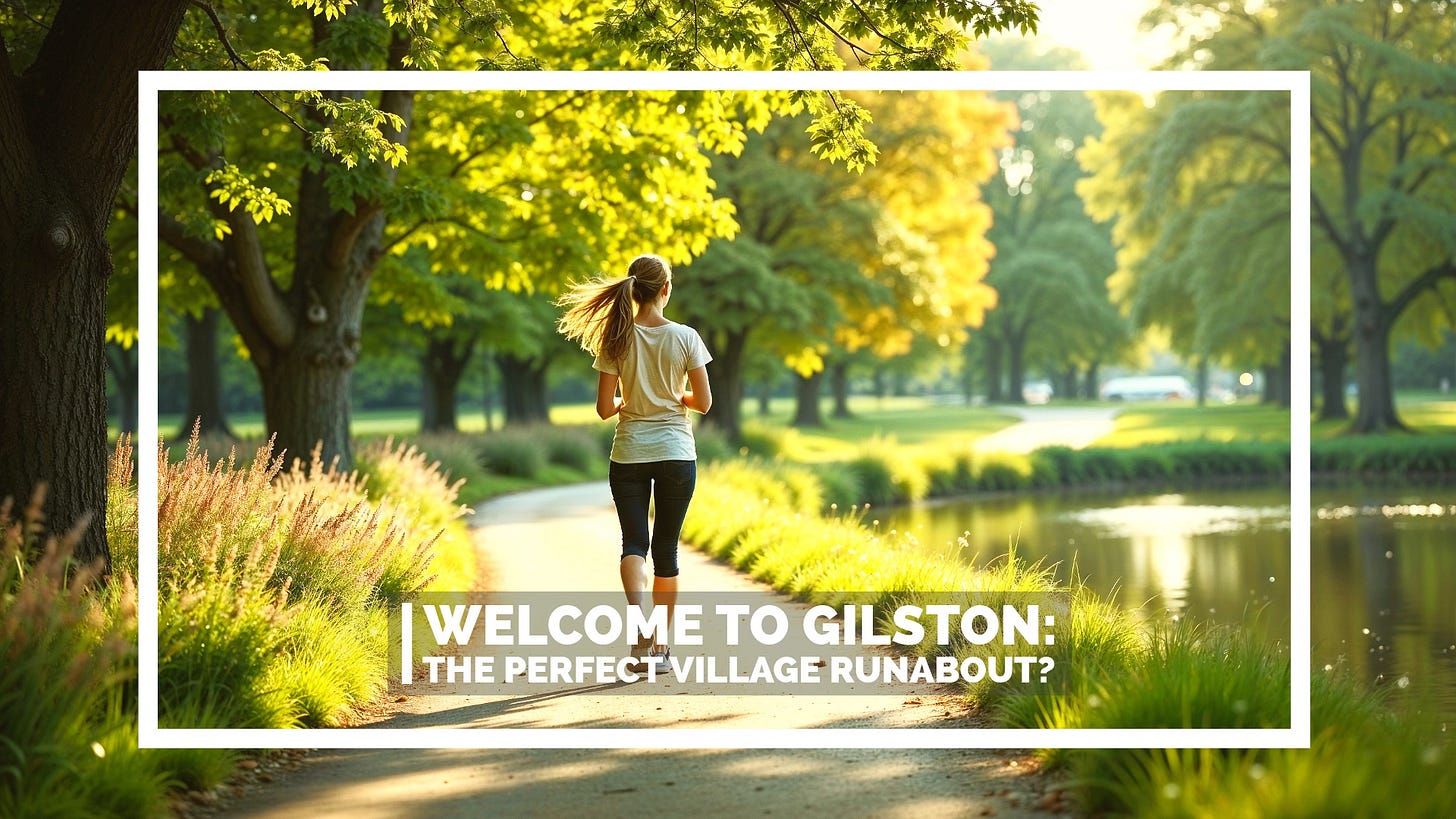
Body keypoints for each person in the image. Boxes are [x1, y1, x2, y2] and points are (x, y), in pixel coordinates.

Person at [556, 254, 713, 671]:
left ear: (633, 289)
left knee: (633, 543)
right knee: (667, 550)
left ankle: (639, 631)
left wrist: (630, 400)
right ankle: (659, 647)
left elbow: (604, 408)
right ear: (666, 290)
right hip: (677, 452)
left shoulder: (615, 337)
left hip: (629, 453)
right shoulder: (686, 337)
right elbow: (705, 402)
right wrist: (679, 397)